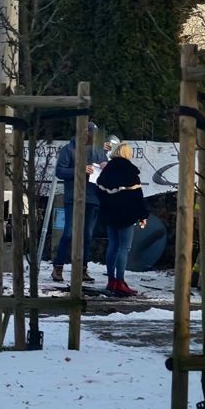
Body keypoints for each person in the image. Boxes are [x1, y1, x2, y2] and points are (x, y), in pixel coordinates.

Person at [52, 122, 107, 282]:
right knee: (69, 233)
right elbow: (60, 172)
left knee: (87, 235)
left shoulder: (99, 151)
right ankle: (58, 267)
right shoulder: (68, 150)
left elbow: (105, 169)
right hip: (74, 198)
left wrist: (106, 167)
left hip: (93, 198)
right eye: (92, 134)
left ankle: (82, 269)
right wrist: (80, 170)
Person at [95, 143, 147, 297]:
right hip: (126, 214)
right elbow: (137, 196)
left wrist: (108, 204)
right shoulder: (130, 171)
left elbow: (99, 191)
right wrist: (143, 215)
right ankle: (120, 281)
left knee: (113, 245)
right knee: (124, 248)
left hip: (109, 213)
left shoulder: (107, 170)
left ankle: (111, 280)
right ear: (127, 154)